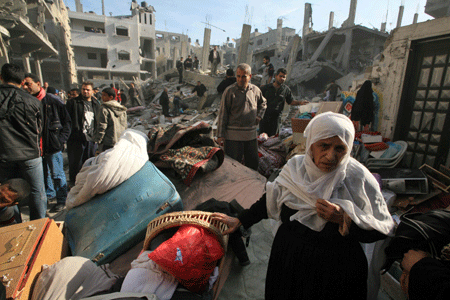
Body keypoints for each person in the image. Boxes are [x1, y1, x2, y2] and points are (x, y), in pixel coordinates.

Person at [213, 112, 395, 299]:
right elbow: (269, 201)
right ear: (311, 145)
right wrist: (240, 221)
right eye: (324, 145)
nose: (331, 156)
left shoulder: (357, 178)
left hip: (336, 273)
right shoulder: (295, 170)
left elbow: (380, 229)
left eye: (340, 148)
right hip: (290, 263)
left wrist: (344, 218)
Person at [0, 63, 47, 220]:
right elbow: (39, 129)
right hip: (30, 155)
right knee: (37, 192)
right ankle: (38, 228)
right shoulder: (33, 101)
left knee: (6, 194)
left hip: (3, 156)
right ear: (22, 82)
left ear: (1, 78)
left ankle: (15, 225)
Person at [23, 73, 72, 213]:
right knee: (43, 175)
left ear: (38, 84)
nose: (26, 87)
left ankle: (62, 200)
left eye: (28, 84)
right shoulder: (27, 101)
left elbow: (67, 122)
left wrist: (60, 140)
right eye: (24, 84)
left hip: (52, 145)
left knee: (57, 174)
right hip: (35, 147)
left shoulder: (52, 101)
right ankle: (50, 195)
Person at [216, 63, 266, 171]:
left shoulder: (255, 90)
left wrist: (259, 116)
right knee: (233, 166)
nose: (240, 79)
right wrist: (220, 135)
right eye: (238, 76)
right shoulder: (229, 91)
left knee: (253, 164)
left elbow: (263, 104)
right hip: (233, 136)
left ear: (250, 76)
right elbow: (223, 113)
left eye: (244, 76)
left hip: (250, 135)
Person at [66, 81, 100, 187]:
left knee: (89, 163)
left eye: (88, 89)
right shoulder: (73, 103)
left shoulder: (96, 104)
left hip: (91, 139)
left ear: (92, 91)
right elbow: (67, 120)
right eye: (83, 89)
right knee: (75, 164)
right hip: (76, 138)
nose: (85, 91)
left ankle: (86, 185)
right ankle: (74, 185)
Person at [260, 68, 308, 137]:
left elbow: (290, 101)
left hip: (276, 119)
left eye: (284, 77)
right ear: (276, 76)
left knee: (274, 138)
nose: (282, 78)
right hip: (264, 117)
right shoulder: (266, 88)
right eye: (280, 76)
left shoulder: (286, 90)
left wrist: (300, 102)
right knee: (262, 138)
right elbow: (257, 99)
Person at [93, 87, 127, 153]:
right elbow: (125, 125)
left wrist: (98, 140)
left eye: (104, 95)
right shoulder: (122, 109)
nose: (102, 97)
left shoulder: (104, 109)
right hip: (119, 141)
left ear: (111, 97)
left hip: (108, 143)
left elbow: (102, 126)